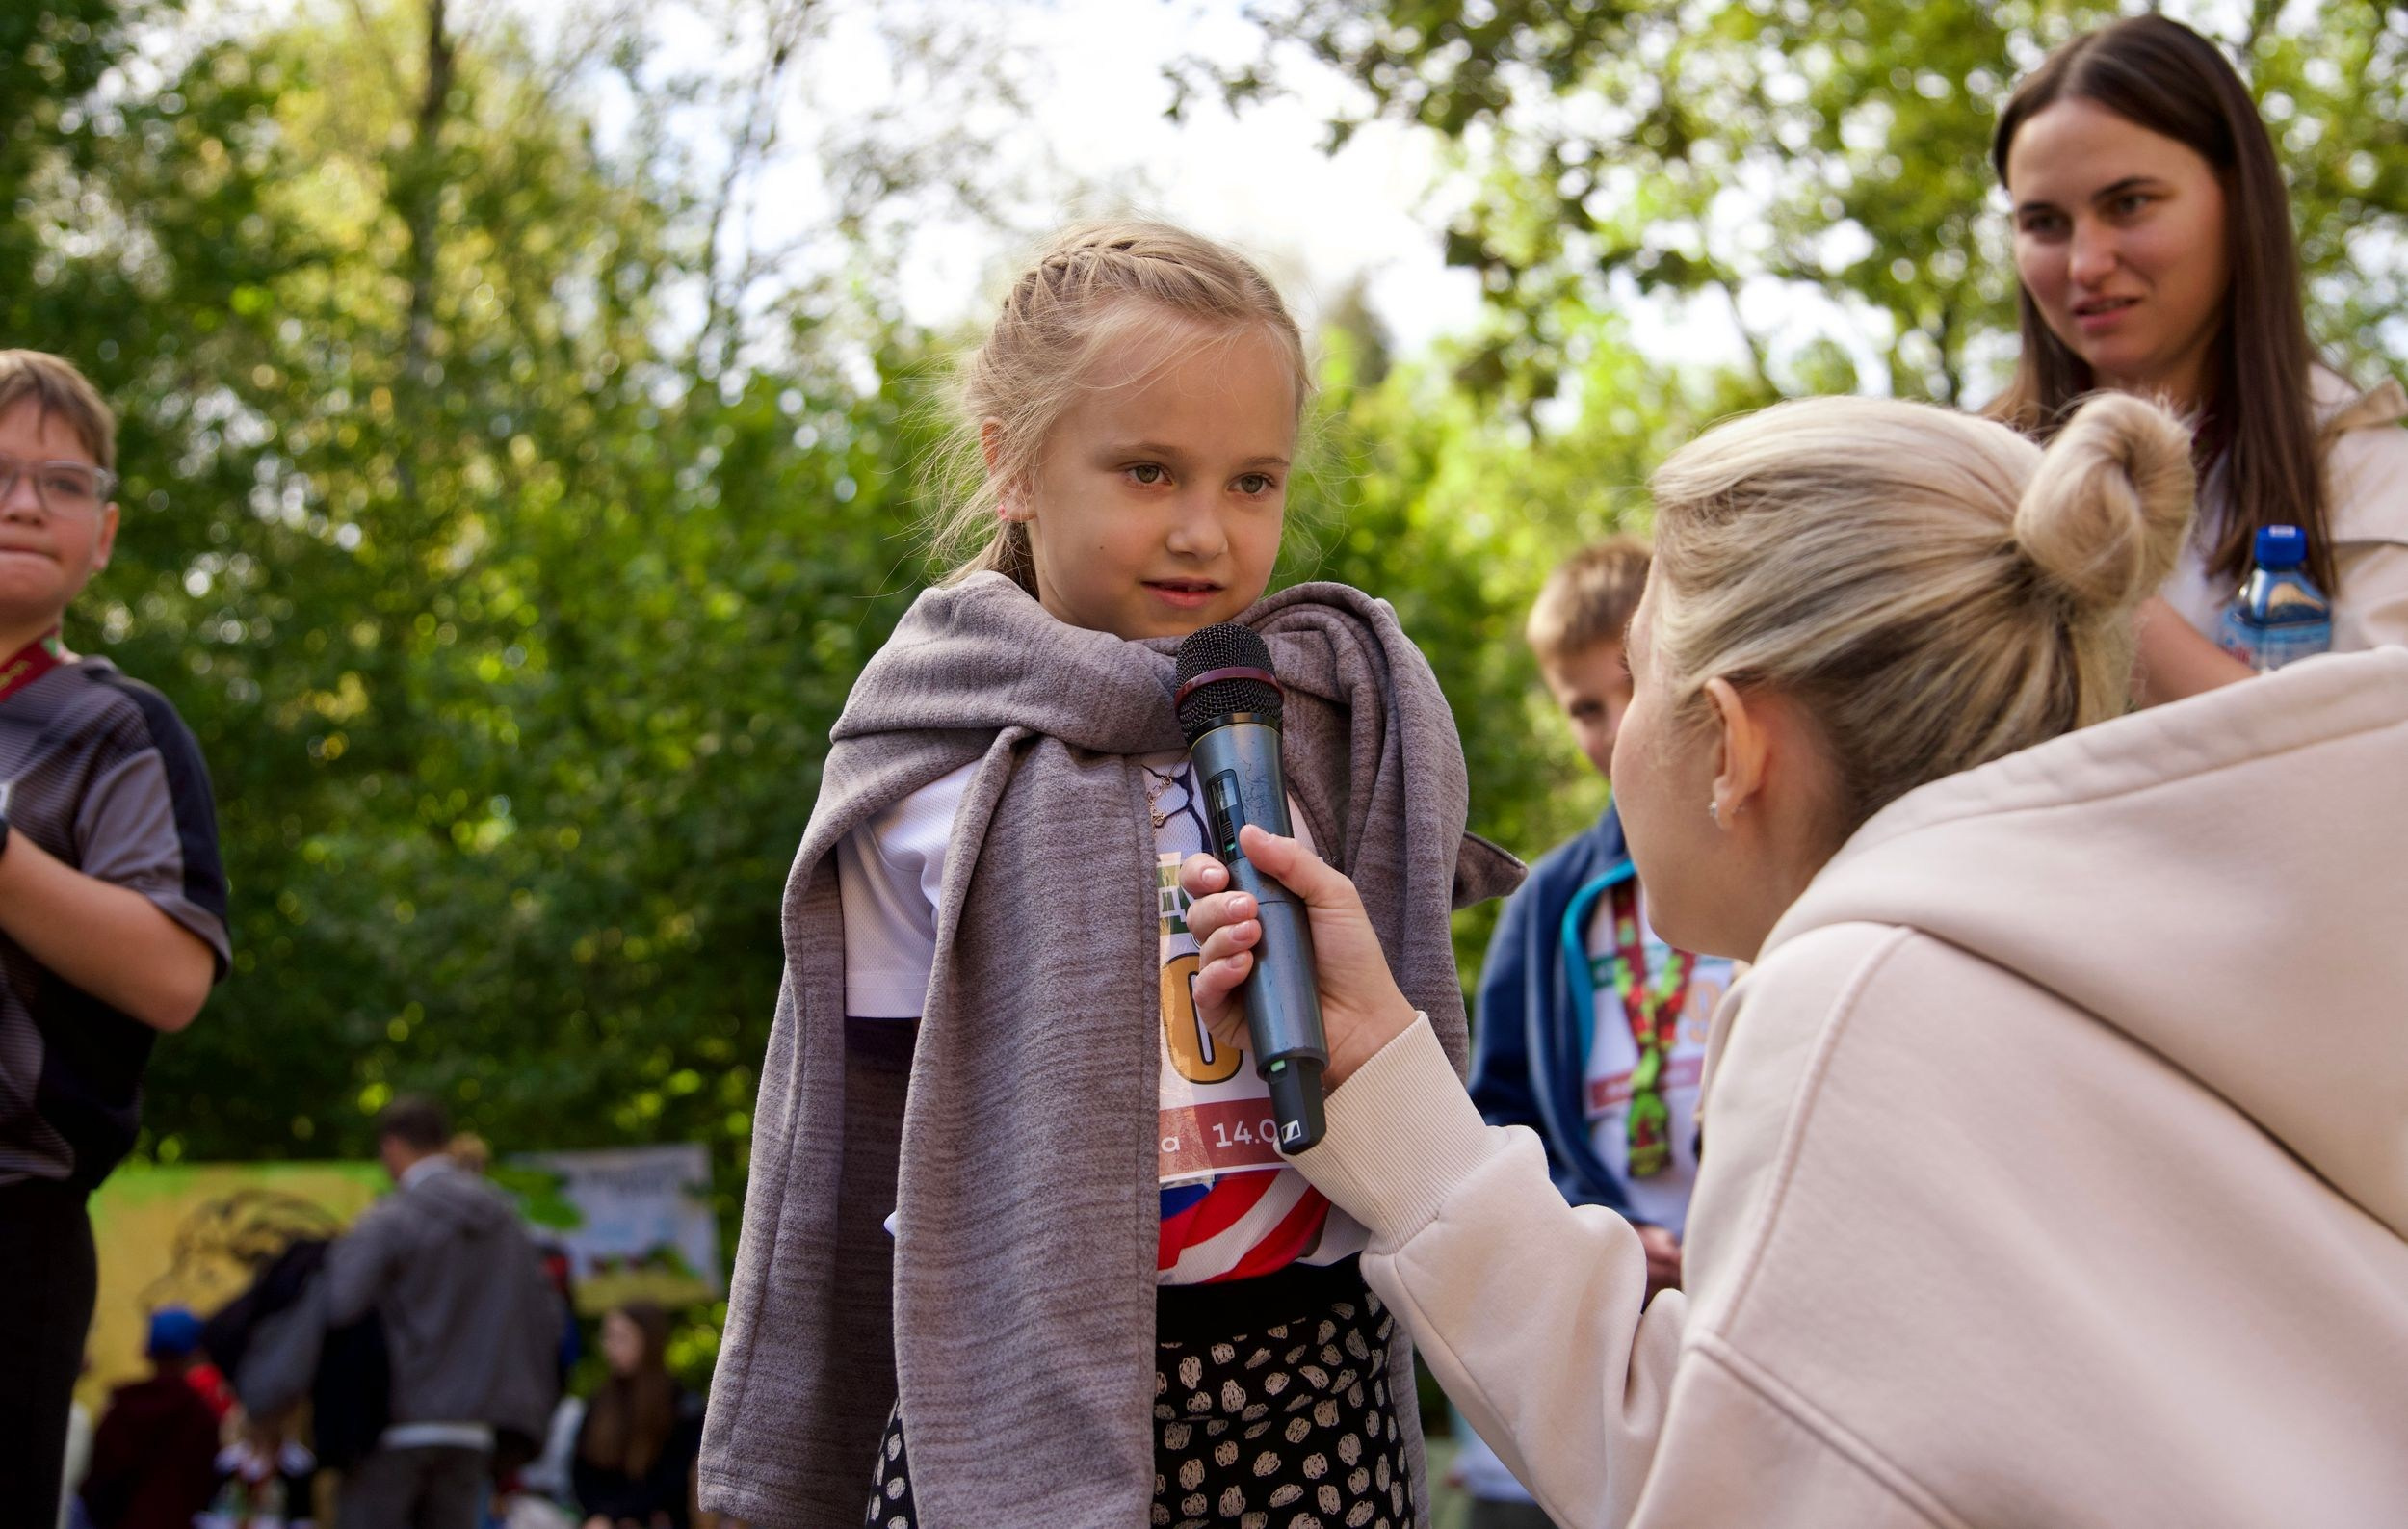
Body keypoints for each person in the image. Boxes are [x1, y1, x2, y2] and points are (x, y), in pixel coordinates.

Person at [1179, 393, 2408, 1524]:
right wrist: (1390, 1078)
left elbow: (1706, 1495)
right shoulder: (2152, 963)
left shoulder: (1856, 1005)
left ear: (1737, 742)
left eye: (1644, 679)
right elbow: (1749, 1440)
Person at [699, 220, 1517, 1529]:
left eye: (1255, 481)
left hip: (1309, 1376)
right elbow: (850, 1140)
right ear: (1012, 464)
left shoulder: (1315, 722)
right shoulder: (926, 769)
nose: (1206, 529)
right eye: (1148, 469)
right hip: (1008, 1402)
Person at [1988, 13, 2408, 698]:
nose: (2087, 263)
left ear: (2237, 200)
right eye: (2044, 223)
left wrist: (2092, 577)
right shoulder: (1965, 471)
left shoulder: (2368, 476)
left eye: (2128, 204)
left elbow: (2372, 760)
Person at [0, 349, 231, 1527]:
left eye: (63, 480)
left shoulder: (117, 727)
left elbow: (171, 973)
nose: (25, 501)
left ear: (104, 531)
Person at [1457, 537, 1719, 1529]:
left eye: (1631, 686)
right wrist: (1596, 1227)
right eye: (1581, 706)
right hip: (1608, 1313)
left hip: (1741, 1304)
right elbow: (1502, 1111)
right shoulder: (1550, 899)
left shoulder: (1775, 862)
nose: (1613, 731)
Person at [324, 1094, 564, 1529]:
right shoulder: (507, 1223)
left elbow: (338, 1304)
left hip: (395, 1427)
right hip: (474, 1430)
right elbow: (548, 1318)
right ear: (443, 1142)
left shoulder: (393, 1217)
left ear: (392, 1148)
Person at [79, 1306, 223, 1529]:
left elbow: (98, 1480)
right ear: (195, 1354)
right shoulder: (203, 1419)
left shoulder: (124, 1407)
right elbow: (203, 1490)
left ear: (147, 1349)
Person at [572, 1302, 702, 1529]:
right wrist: (602, 1515)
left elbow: (675, 1478)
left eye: (622, 1338)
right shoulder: (601, 1402)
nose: (611, 1347)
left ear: (648, 1340)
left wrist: (626, 1515)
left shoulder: (680, 1405)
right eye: (608, 1337)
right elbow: (582, 1471)